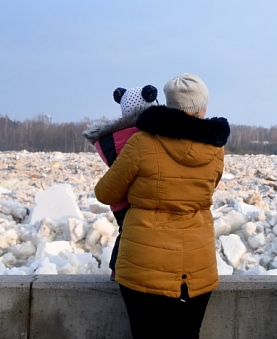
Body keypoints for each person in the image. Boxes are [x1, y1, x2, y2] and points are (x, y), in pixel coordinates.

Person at [94, 73, 229, 339]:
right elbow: (204, 189)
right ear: (203, 107)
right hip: (195, 267)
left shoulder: (142, 143)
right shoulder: (215, 150)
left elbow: (105, 193)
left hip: (143, 265)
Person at [82, 84, 159, 278]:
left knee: (127, 238)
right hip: (147, 201)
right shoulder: (150, 136)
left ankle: (119, 273)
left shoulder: (111, 140)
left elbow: (106, 190)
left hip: (121, 204)